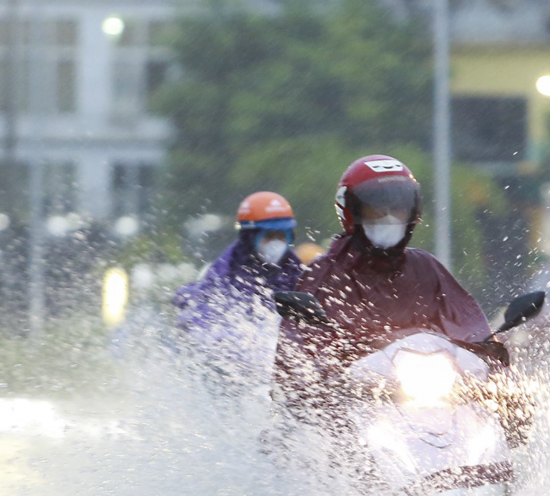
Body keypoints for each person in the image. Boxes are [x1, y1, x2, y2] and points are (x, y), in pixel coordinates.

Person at [274, 155, 505, 406]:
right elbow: (303, 353)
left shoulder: (426, 268)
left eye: (397, 208)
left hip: (435, 397)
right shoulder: (326, 274)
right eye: (377, 208)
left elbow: (469, 325)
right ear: (351, 212)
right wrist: (328, 379)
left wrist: (496, 372)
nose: (389, 217)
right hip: (357, 404)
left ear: (413, 211)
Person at [173, 191, 304, 381]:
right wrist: (242, 352)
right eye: (269, 236)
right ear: (250, 236)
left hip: (275, 368)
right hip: (231, 372)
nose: (277, 243)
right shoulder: (225, 270)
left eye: (282, 236)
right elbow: (206, 321)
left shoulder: (293, 268)